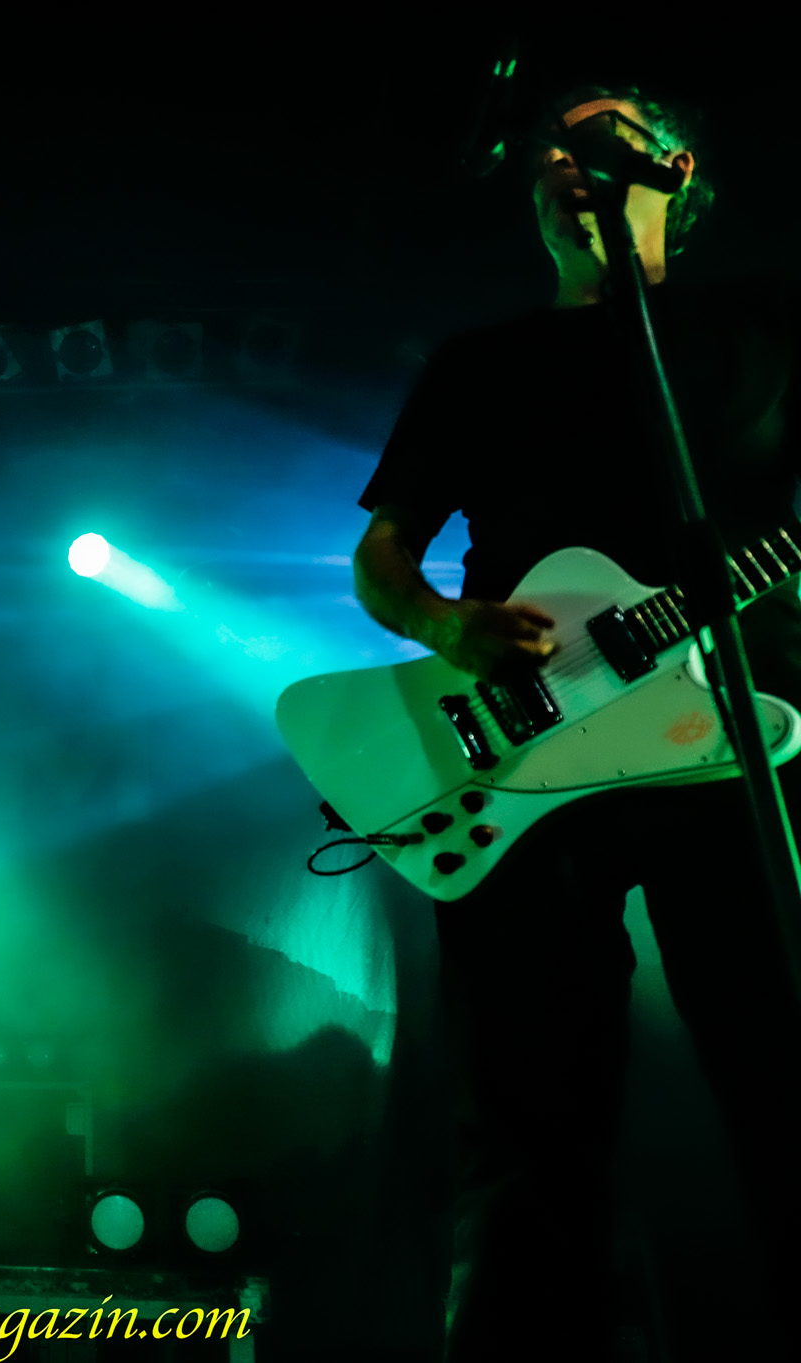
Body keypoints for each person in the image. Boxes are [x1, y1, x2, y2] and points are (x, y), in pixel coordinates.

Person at [352, 87, 801, 1359]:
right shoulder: (476, 364)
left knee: (783, 1070)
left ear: (678, 173)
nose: (562, 157)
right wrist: (447, 627)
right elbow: (380, 559)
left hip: (735, 738)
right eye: (549, 145)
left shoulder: (765, 328)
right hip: (528, 752)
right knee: (524, 1118)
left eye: (597, 136)